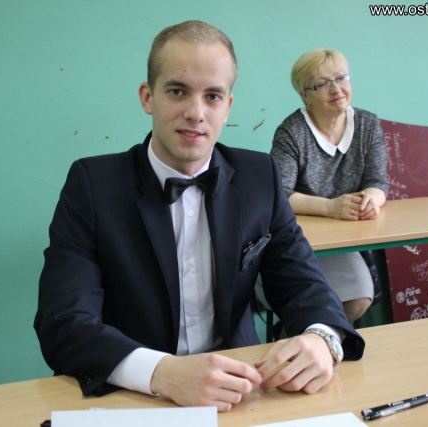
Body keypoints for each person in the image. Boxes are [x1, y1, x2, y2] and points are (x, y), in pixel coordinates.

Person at [34, 21, 364, 413]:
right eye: (178, 91)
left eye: (212, 96)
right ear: (148, 97)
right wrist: (163, 373)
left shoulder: (259, 176)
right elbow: (63, 322)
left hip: (242, 391)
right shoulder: (92, 185)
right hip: (134, 397)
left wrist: (322, 338)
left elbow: (302, 282)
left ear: (228, 106)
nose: (196, 113)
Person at [270, 48, 388, 323]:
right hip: (298, 239)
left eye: (341, 78)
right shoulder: (291, 132)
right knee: (321, 306)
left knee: (357, 298)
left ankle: (312, 338)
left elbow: (377, 182)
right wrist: (331, 207)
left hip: (345, 239)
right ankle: (299, 338)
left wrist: (371, 200)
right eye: (322, 84)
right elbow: (279, 194)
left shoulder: (368, 124)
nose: (336, 89)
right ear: (305, 96)